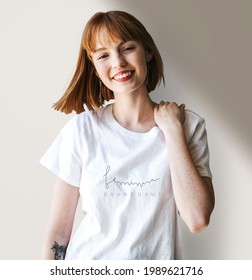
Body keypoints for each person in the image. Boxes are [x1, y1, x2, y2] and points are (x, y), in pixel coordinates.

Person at [40, 10, 215, 260]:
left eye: (127, 48)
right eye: (103, 55)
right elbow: (58, 232)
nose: (118, 62)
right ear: (94, 67)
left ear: (148, 51)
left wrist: (172, 131)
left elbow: (198, 219)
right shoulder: (81, 130)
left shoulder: (188, 126)